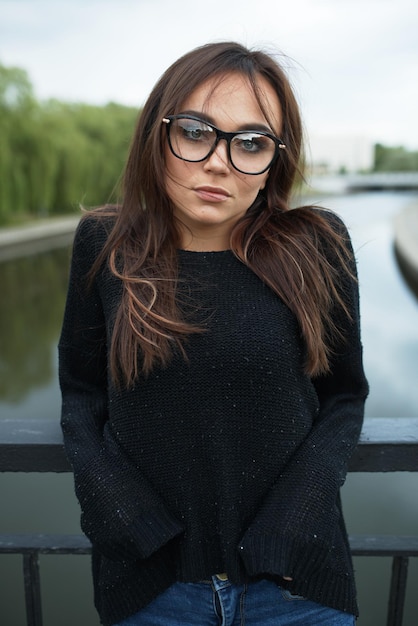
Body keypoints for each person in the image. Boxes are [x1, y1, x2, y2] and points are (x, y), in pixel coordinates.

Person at [58, 41, 369, 626]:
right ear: (159, 133)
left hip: (297, 587)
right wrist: (124, 517)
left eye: (251, 143)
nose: (221, 161)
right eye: (197, 132)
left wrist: (291, 523)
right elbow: (80, 398)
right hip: (152, 587)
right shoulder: (106, 245)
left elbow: (344, 398)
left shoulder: (318, 246)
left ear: (276, 159)